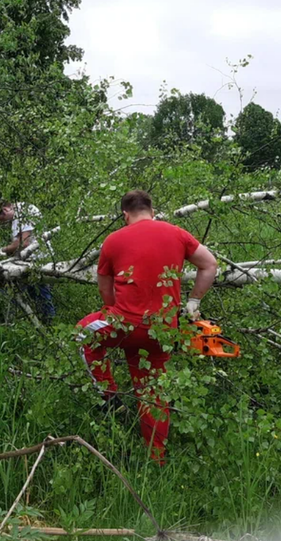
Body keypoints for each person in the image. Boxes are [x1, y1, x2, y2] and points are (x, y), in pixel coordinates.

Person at [75, 190, 218, 464]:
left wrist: (117, 313)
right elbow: (209, 265)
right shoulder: (177, 233)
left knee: (83, 333)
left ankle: (109, 398)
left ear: (125, 214)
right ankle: (157, 459)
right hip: (162, 332)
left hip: (125, 324)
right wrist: (193, 302)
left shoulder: (114, 239)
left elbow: (105, 288)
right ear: (152, 211)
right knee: (152, 395)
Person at [0, 200, 56, 320]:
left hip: (37, 260)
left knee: (40, 294)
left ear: (5, 210)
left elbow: (23, 242)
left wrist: (3, 250)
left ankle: (48, 323)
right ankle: (35, 321)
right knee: (33, 293)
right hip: (32, 259)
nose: (6, 223)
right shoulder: (22, 209)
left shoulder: (22, 213)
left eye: (4, 220)